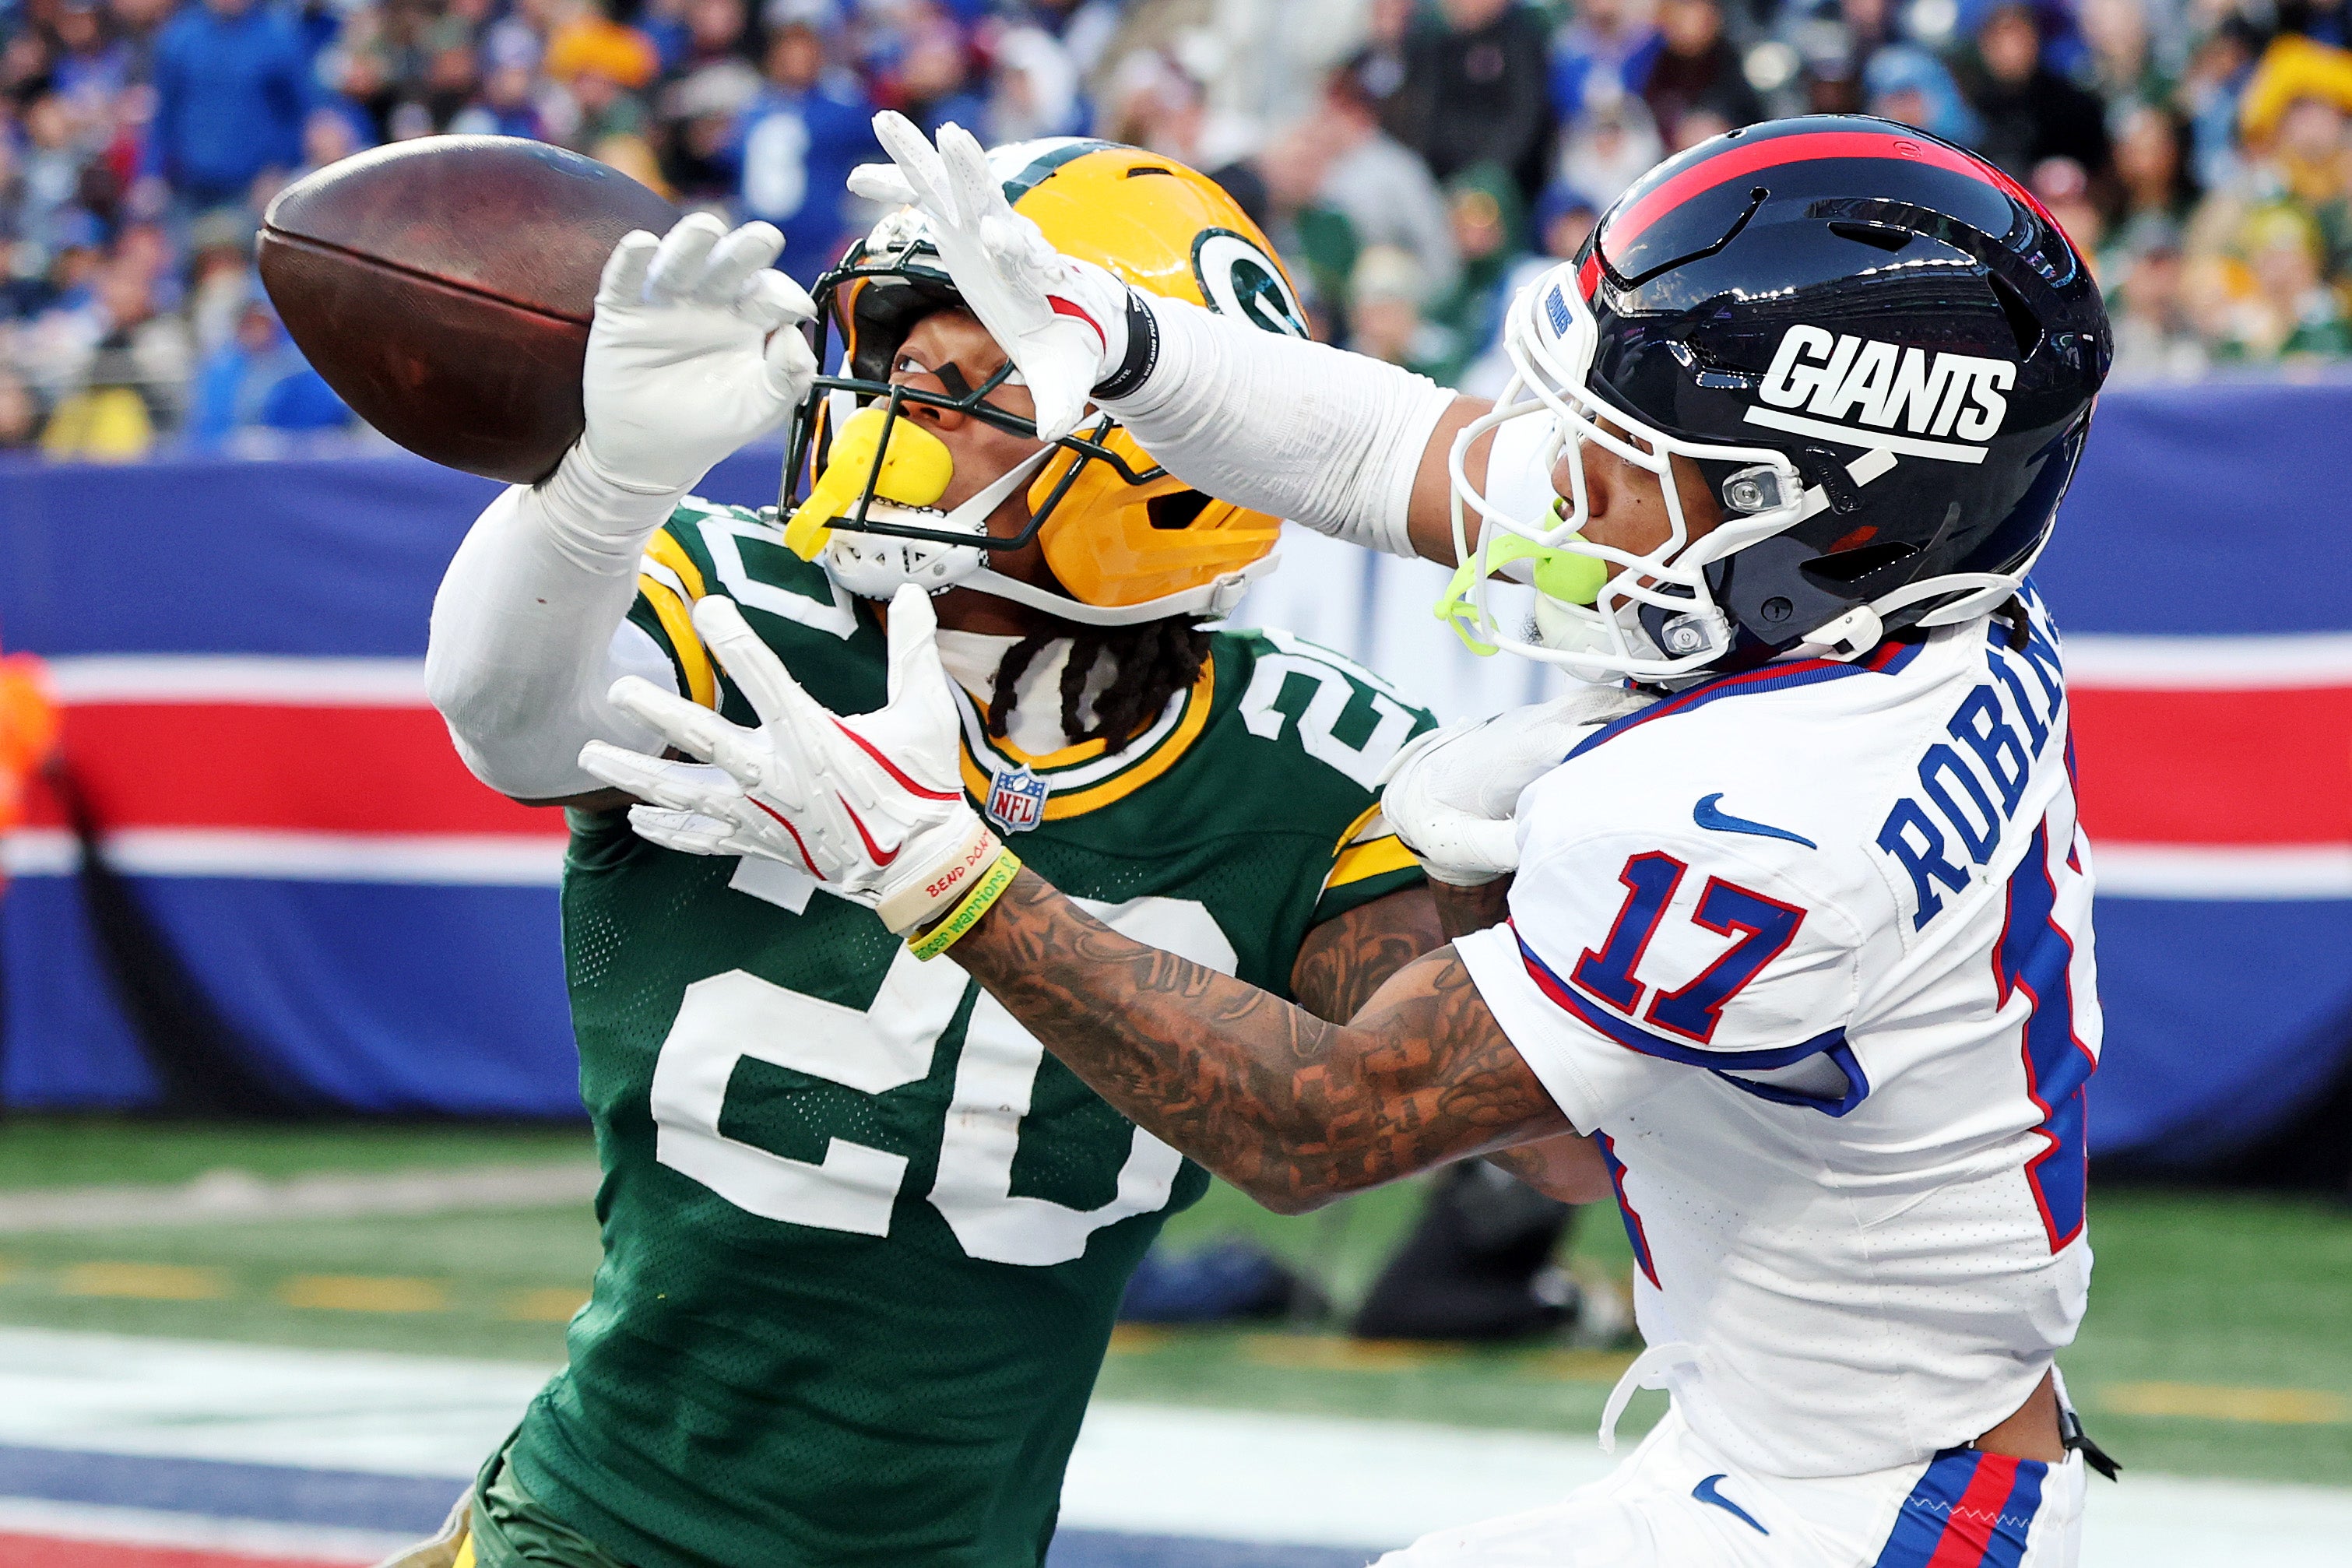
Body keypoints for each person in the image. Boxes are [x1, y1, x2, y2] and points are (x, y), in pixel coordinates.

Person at [591, 111, 2120, 1565]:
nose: (1561, 478)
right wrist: (1118, 341)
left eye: (1616, 450)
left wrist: (940, 871)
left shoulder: (1774, 816)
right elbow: (1375, 450)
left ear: (1801, 496)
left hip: (1862, 1507)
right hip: (1788, 1445)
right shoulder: (1904, 585)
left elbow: (1310, 1123)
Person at [416, 139, 1447, 1568]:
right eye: (903, 365)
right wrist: (600, 486)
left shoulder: (1312, 758)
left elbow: (1476, 1129)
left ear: (1173, 442)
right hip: (593, 1534)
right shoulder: (744, 611)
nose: (904, 410)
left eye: (986, 383)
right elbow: (507, 722)